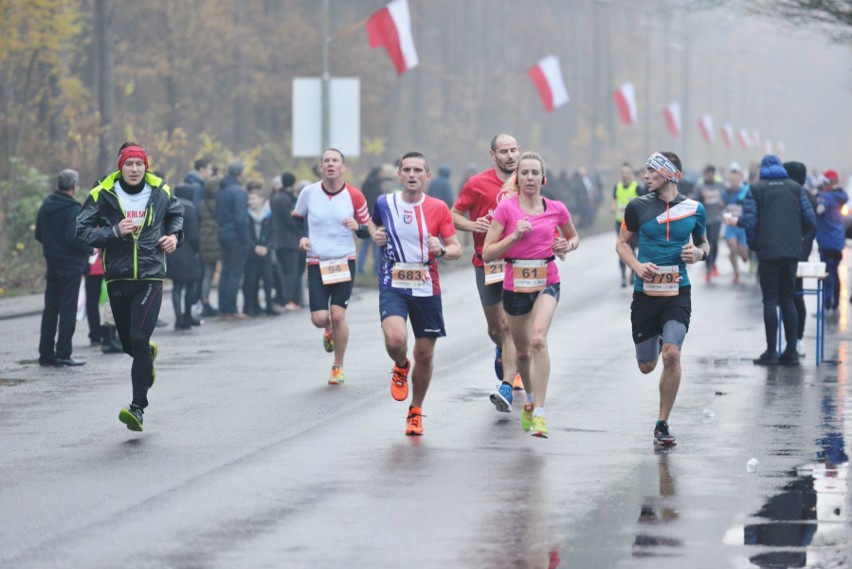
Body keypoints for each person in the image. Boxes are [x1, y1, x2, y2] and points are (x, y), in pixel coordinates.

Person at [77, 142, 184, 431]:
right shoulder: (103, 192)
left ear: (145, 166)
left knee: (138, 339)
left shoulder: (160, 190)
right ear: (120, 166)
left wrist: (175, 236)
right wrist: (113, 231)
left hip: (150, 274)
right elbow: (82, 231)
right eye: (129, 164)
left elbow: (176, 215)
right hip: (118, 276)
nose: (134, 169)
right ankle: (146, 354)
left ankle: (137, 408)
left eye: (139, 164)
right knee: (130, 345)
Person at [482, 151, 578, 438]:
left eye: (535, 173)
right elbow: (487, 253)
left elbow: (573, 237)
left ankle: (539, 411)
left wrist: (566, 247)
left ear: (543, 178)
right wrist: (513, 237)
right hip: (515, 287)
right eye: (525, 173)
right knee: (523, 353)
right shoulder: (507, 210)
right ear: (518, 178)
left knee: (538, 340)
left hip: (547, 280)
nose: (530, 178)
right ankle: (529, 398)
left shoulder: (556, 208)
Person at [616, 151, 709, 447]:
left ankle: (662, 424)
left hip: (677, 292)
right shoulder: (637, 207)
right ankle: (657, 340)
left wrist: (699, 253)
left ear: (669, 174)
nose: (645, 177)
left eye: (651, 171)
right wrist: (637, 266)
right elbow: (622, 244)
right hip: (646, 295)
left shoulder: (695, 209)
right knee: (647, 366)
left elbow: (704, 242)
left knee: (672, 354)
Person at [369, 151, 462, 436]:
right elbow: (373, 225)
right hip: (393, 279)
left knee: (424, 354)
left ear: (427, 176)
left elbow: (456, 248)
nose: (412, 175)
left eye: (417, 170)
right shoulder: (384, 203)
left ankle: (416, 410)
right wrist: (375, 234)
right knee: (396, 340)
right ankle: (400, 365)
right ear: (399, 174)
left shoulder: (439, 208)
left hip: (426, 284)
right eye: (406, 169)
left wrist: (442, 250)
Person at [451, 133, 523, 397]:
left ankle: (510, 378)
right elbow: (453, 214)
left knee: (513, 325)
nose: (511, 156)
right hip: (488, 262)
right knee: (497, 328)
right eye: (504, 152)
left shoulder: (528, 180)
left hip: (520, 262)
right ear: (493, 155)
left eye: (514, 150)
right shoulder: (477, 184)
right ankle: (501, 348)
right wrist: (473, 225)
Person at [726, 154, 816, 366]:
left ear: (762, 170)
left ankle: (771, 352)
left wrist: (755, 245)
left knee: (770, 301)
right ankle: (791, 352)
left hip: (768, 253)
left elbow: (750, 221)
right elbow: (810, 220)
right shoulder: (795, 188)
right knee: (788, 299)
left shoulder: (756, 189)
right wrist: (797, 237)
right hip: (792, 252)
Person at [293, 148, 370, 385]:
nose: (330, 164)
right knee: (319, 318)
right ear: (320, 167)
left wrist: (357, 226)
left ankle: (338, 365)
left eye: (335, 160)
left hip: (344, 260)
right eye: (326, 161)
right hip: (316, 261)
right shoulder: (309, 192)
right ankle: (327, 330)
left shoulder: (355, 196)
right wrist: (302, 237)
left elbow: (368, 230)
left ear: (343, 167)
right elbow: (297, 217)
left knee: (338, 315)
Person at [36, 168, 93, 367]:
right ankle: (63, 353)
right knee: (68, 309)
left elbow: (39, 235)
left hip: (52, 264)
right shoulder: (72, 209)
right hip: (71, 265)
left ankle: (45, 354)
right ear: (75, 186)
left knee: (50, 309)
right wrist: (90, 249)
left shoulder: (46, 205)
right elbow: (73, 237)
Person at [784, 161, 818, 357]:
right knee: (796, 298)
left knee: (791, 298)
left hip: (792, 255)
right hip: (799, 254)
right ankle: (796, 340)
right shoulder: (811, 197)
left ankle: (795, 340)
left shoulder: (796, 196)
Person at [216, 161, 250, 320]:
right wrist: (245, 239)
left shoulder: (221, 190)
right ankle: (231, 308)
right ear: (240, 173)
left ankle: (223, 308)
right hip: (236, 236)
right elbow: (241, 219)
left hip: (223, 233)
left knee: (225, 272)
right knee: (235, 274)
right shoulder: (238, 192)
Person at [167, 184, 202, 329]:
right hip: (187, 252)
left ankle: (178, 318)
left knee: (177, 286)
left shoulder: (168, 208)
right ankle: (187, 316)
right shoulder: (190, 209)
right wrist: (197, 249)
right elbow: (194, 234)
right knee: (190, 285)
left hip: (172, 250)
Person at [815, 169, 847, 314]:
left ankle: (826, 305)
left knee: (828, 274)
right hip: (838, 242)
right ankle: (835, 305)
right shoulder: (840, 196)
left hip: (826, 242)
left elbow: (819, 210)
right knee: (834, 273)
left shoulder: (825, 198)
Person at [242, 182, 277, 316]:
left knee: (268, 280)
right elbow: (245, 234)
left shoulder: (268, 214)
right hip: (252, 252)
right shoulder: (246, 215)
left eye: (254, 198)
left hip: (265, 252)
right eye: (249, 199)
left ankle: (269, 305)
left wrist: (267, 247)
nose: (251, 201)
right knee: (251, 280)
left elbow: (273, 232)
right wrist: (254, 246)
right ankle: (251, 306)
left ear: (261, 199)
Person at [270, 172, 301, 310]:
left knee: (280, 272)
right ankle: (288, 299)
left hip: (276, 239)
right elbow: (291, 220)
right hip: (289, 240)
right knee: (291, 271)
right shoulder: (289, 199)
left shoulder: (275, 197)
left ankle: (279, 298)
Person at [611, 162, 642, 288]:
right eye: (623, 172)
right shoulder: (617, 187)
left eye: (627, 172)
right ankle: (623, 276)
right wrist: (613, 207)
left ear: (632, 174)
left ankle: (634, 270)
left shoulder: (637, 187)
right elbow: (614, 200)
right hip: (620, 222)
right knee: (622, 248)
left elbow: (644, 202)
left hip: (633, 224)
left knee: (633, 248)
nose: (625, 175)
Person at [695, 165, 725, 282]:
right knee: (707, 243)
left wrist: (724, 204)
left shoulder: (720, 185)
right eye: (707, 173)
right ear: (704, 174)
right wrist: (701, 198)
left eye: (711, 173)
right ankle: (708, 267)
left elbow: (726, 198)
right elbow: (695, 201)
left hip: (716, 218)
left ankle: (713, 263)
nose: (709, 175)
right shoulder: (700, 186)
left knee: (714, 241)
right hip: (705, 219)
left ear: (714, 174)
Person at [721, 162, 750, 284]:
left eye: (736, 175)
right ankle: (736, 273)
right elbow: (722, 206)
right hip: (730, 225)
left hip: (741, 225)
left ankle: (748, 258)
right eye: (731, 175)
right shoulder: (725, 192)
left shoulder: (745, 190)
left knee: (744, 256)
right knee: (732, 248)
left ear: (740, 177)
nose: (733, 178)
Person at [198, 166, 220, 316]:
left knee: (207, 272)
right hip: (216, 240)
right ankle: (212, 302)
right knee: (219, 272)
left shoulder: (202, 204)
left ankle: (204, 300)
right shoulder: (218, 204)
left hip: (204, 240)